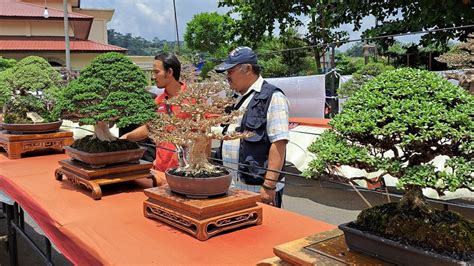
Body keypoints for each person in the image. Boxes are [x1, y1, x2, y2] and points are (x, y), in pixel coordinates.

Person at [215, 47, 290, 208]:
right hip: (232, 185)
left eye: (231, 71)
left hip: (257, 188)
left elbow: (279, 143)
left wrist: (269, 185)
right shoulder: (236, 98)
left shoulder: (272, 97)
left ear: (247, 69)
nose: (227, 76)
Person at [120, 53, 188, 184]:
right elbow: (149, 128)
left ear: (169, 72)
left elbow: (205, 133)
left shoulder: (193, 100)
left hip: (186, 172)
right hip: (161, 170)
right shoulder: (158, 102)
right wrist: (125, 138)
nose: (153, 76)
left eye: (157, 72)